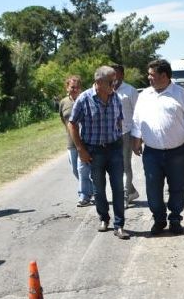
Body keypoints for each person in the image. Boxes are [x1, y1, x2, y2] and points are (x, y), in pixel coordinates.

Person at [131, 59, 184, 235]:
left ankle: (175, 218)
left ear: (164, 76)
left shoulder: (181, 94)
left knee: (178, 187)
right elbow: (137, 120)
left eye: (151, 75)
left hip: (178, 152)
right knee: (153, 189)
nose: (149, 78)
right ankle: (159, 219)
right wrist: (136, 140)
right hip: (152, 153)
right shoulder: (144, 96)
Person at [68, 66, 129, 240]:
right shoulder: (84, 99)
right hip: (94, 151)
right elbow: (72, 124)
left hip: (114, 149)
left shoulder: (115, 97)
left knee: (118, 187)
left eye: (115, 80)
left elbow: (119, 120)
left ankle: (119, 225)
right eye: (112, 81)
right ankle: (104, 218)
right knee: (99, 188)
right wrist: (80, 149)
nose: (115, 84)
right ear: (99, 82)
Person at [58, 75, 95, 207]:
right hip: (71, 142)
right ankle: (94, 192)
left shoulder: (85, 100)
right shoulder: (63, 102)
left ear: (81, 88)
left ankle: (84, 196)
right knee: (75, 170)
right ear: (67, 87)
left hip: (85, 141)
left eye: (77, 87)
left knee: (83, 170)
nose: (75, 89)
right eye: (72, 87)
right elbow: (64, 119)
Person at [112, 64, 140, 206]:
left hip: (126, 133)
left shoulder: (130, 91)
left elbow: (138, 115)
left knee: (125, 165)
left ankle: (124, 196)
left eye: (116, 74)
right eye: (111, 74)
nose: (114, 77)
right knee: (113, 167)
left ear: (122, 75)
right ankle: (132, 191)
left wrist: (137, 138)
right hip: (109, 135)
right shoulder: (105, 90)